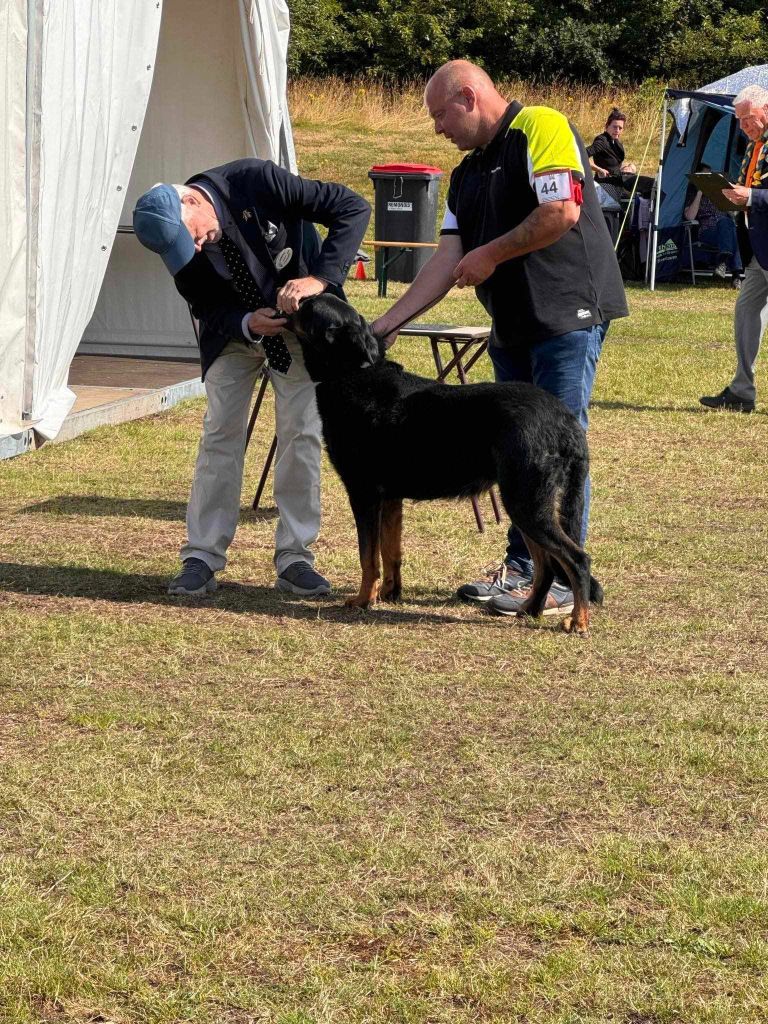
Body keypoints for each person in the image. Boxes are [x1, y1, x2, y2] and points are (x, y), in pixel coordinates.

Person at [371, 60, 628, 619]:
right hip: (511, 325)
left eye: (441, 114)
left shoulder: (540, 125)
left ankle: (561, 579)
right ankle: (523, 569)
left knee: (555, 443)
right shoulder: (465, 175)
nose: (437, 128)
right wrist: (387, 323)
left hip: (566, 314)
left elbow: (561, 210)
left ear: (468, 96)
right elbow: (446, 258)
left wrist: (490, 253)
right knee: (516, 453)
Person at [132, 160, 369, 595]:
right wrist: (245, 322)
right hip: (236, 334)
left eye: (195, 236)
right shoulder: (174, 238)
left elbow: (352, 207)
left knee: (302, 432)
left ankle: (296, 557)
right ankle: (201, 557)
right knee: (220, 433)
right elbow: (203, 301)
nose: (197, 249)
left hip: (297, 328)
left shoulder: (258, 181)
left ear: (191, 200)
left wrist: (319, 278)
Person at [701, 84, 768, 413]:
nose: (742, 126)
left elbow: (758, 194)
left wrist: (751, 198)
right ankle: (742, 391)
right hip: (758, 252)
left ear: (765, 111)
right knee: (746, 313)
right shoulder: (754, 146)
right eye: (739, 120)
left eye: (747, 119)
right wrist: (732, 196)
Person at [683, 165, 742, 284]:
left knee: (728, 224)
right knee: (729, 228)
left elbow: (734, 214)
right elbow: (690, 216)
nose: (709, 179)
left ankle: (723, 263)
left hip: (725, 230)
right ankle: (736, 274)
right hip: (708, 232)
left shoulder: (717, 193)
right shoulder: (693, 194)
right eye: (705, 176)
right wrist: (700, 192)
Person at [588, 108, 627, 180]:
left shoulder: (616, 142)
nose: (617, 130)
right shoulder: (602, 141)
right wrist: (599, 170)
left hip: (617, 179)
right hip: (605, 183)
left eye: (620, 128)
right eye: (615, 127)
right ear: (607, 126)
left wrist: (627, 168)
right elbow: (581, 156)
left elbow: (615, 165)